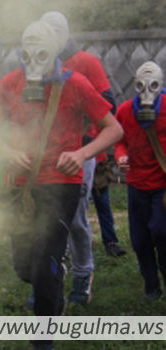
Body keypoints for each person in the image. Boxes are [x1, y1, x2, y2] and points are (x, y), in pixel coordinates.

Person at [0, 21, 123, 350]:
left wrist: (82, 153)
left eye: (41, 47)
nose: (34, 55)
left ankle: (43, 341)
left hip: (61, 184)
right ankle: (52, 278)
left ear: (56, 49)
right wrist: (8, 150)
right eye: (27, 46)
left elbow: (113, 128)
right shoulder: (11, 82)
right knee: (24, 267)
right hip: (21, 186)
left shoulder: (75, 84)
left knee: (44, 264)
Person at [41, 11, 126, 307]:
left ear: (65, 33)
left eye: (55, 30)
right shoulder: (36, 63)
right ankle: (47, 277)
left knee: (75, 216)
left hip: (81, 152)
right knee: (47, 217)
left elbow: (109, 105)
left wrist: (85, 142)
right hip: (46, 154)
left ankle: (83, 274)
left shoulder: (86, 62)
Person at [114, 61, 166, 301]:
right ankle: (151, 285)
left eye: (153, 85)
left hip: (162, 184)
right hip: (136, 184)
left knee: (161, 231)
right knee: (139, 239)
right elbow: (119, 138)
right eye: (141, 86)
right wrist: (121, 155)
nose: (147, 92)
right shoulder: (125, 111)